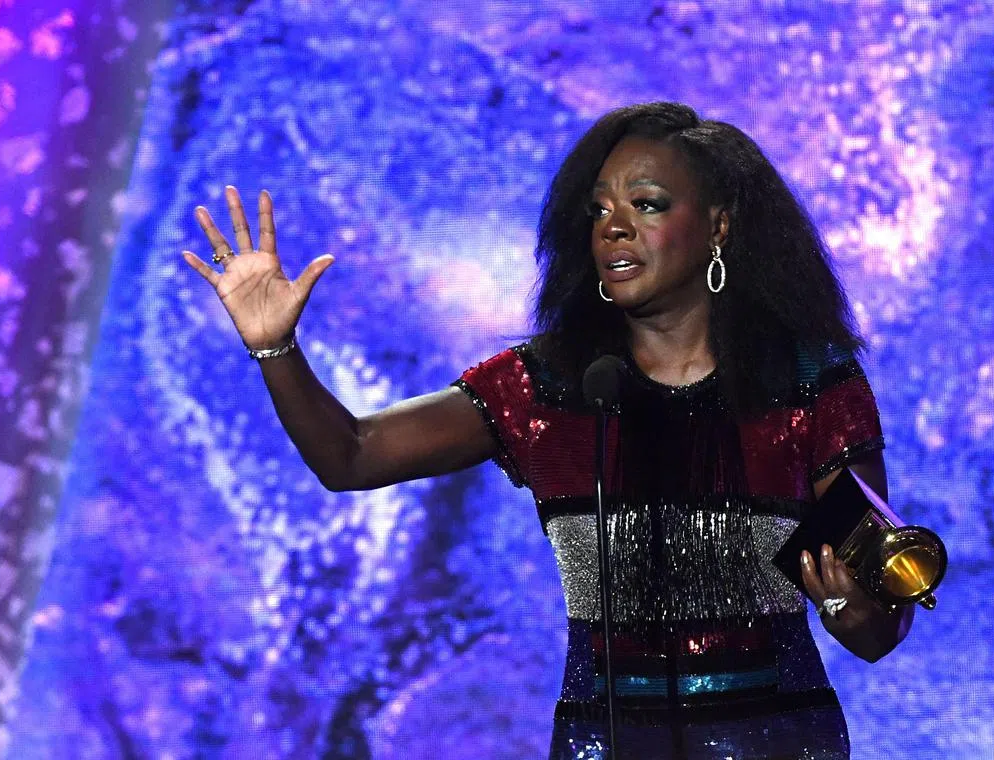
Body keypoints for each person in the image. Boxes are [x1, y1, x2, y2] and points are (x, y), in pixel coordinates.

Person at [184, 102, 915, 759]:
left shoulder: (811, 384)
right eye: (598, 211)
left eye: (647, 204)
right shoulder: (548, 386)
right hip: (603, 745)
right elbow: (349, 455)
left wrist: (850, 607)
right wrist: (275, 348)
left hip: (776, 744)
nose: (614, 227)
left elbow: (882, 625)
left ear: (719, 224)